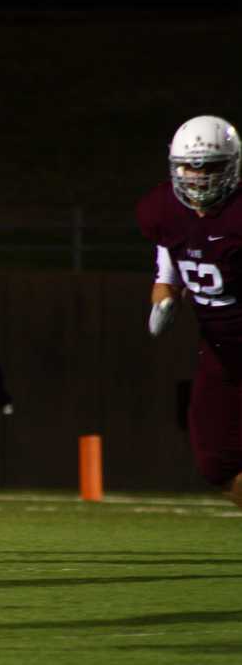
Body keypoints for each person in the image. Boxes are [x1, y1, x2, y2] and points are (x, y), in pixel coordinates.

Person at [137, 114, 242, 510]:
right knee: (216, 463)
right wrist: (163, 300)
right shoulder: (163, 210)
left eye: (210, 169)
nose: (198, 178)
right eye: (189, 168)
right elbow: (168, 269)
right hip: (219, 351)